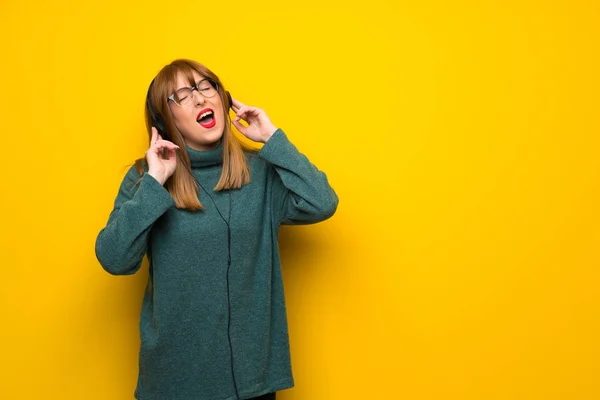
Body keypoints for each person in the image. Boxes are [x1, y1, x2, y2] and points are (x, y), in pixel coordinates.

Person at [95, 59, 339, 400]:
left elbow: (322, 202)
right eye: (181, 94)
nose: (198, 98)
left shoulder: (261, 173)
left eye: (205, 86)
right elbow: (115, 259)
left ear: (222, 98)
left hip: (252, 384)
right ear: (165, 121)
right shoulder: (145, 179)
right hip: (173, 383)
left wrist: (271, 139)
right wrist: (155, 181)